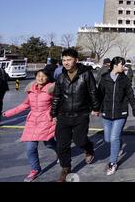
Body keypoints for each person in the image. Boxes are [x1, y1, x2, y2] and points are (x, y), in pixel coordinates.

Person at [51, 48, 100, 182]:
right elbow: (56, 96)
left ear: (76, 60)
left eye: (69, 60)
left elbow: (92, 92)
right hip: (63, 115)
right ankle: (66, 168)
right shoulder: (60, 76)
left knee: (80, 140)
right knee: (62, 144)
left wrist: (95, 108)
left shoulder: (86, 74)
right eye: (64, 60)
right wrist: (53, 113)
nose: (66, 62)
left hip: (81, 114)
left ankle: (89, 148)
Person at [2, 69, 57, 182]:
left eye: (43, 76)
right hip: (32, 122)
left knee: (49, 144)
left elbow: (59, 104)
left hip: (46, 120)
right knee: (30, 148)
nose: (40, 78)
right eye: (38, 76)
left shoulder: (52, 89)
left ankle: (61, 153)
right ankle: (35, 169)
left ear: (48, 78)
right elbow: (25, 105)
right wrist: (8, 113)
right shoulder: (31, 90)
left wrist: (55, 116)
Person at [97, 57, 135, 175]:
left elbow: (130, 94)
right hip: (106, 112)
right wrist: (96, 108)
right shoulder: (104, 78)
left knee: (114, 137)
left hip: (121, 113)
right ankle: (119, 145)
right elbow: (99, 95)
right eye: (122, 65)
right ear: (115, 65)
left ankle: (112, 163)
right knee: (107, 139)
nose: (124, 67)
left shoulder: (124, 79)